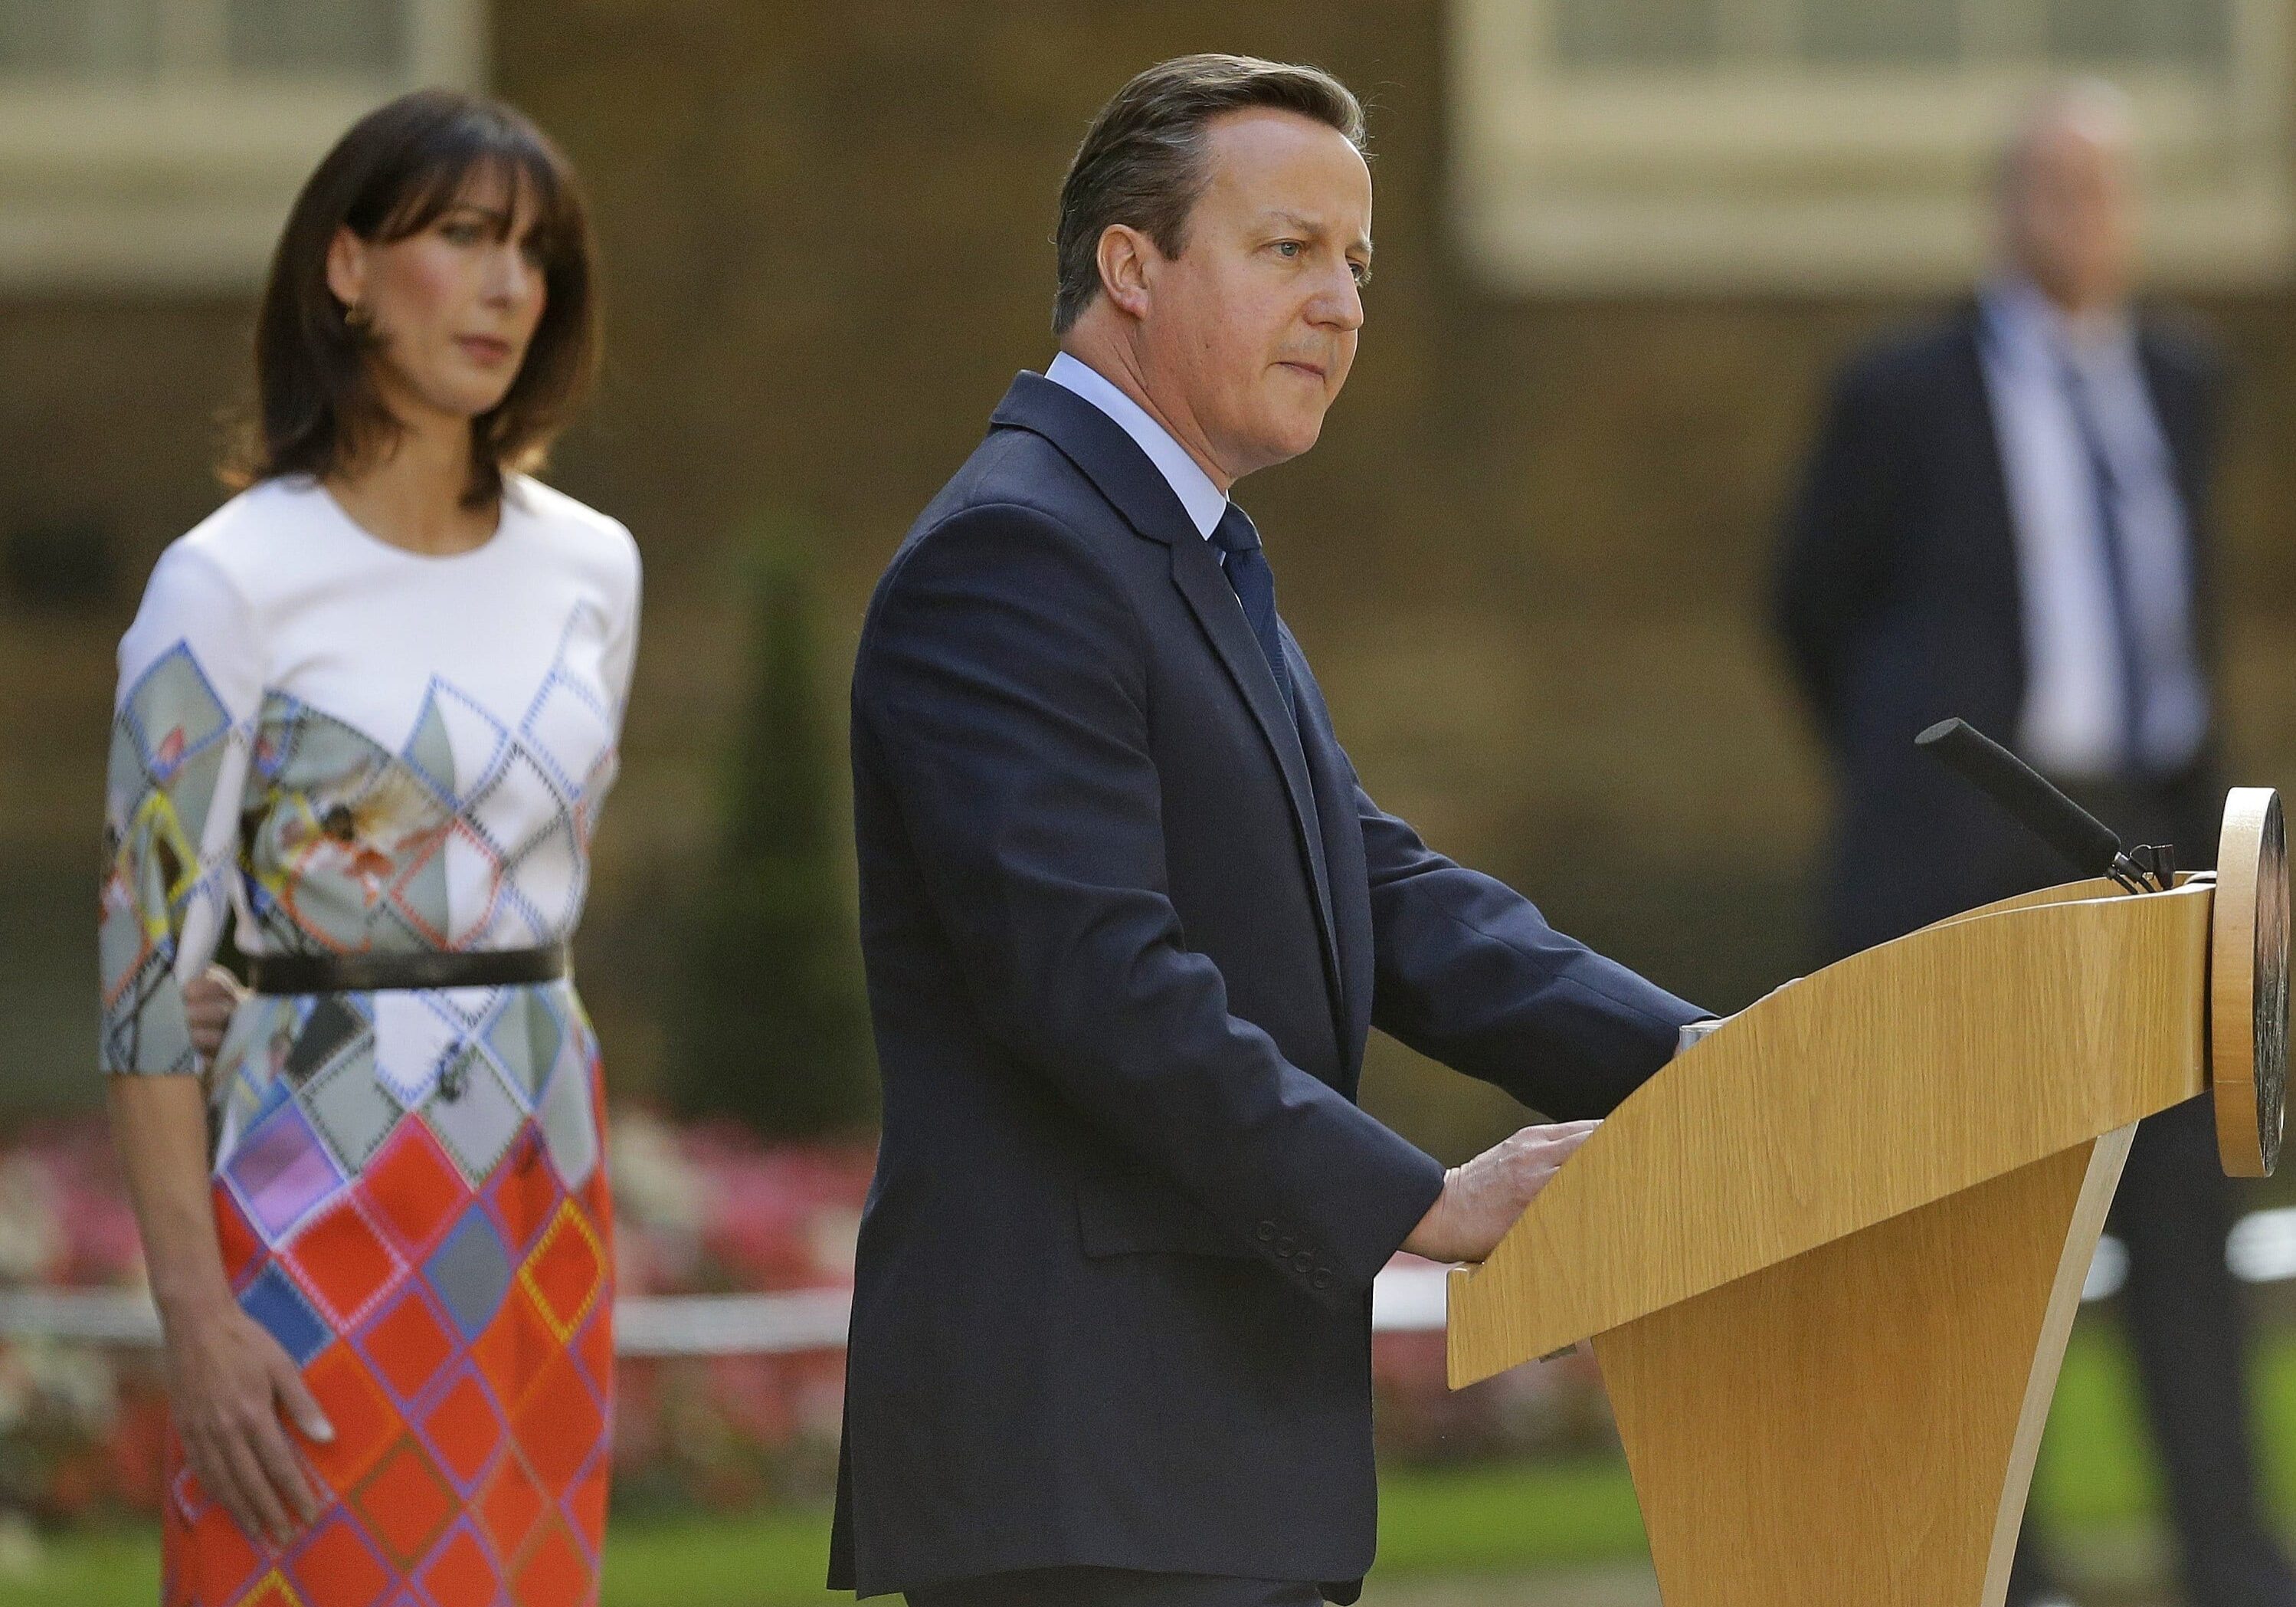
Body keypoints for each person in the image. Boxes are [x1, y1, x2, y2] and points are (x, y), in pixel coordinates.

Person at [834, 54, 1708, 1607]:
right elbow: (1096, 983)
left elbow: (1378, 887)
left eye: (1356, 264)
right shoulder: (1018, 557)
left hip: (1193, 1468)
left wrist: (1719, 1068)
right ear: (1129, 268)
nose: (1343, 306)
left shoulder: (1177, 542)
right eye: (1286, 249)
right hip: (1085, 1474)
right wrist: (1423, 1198)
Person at [102, 89, 637, 1607]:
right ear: (344, 266)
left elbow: (526, 892)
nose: (505, 284)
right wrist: (195, 1320)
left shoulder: (596, 567)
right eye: (462, 235)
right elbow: (142, 984)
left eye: (533, 251)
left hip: (544, 1172)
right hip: (308, 1179)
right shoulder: (229, 581)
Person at [1774, 82, 2292, 1607]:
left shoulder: (2181, 379)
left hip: (2145, 855)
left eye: (2103, 192)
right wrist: (1911, 781)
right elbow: (1808, 604)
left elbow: (2178, 632)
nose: (2079, 220)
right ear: (2001, 209)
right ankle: (2001, 1570)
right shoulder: (1898, 390)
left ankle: (2232, 1561)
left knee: (2182, 1214)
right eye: (2050, 191)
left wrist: (2225, 846)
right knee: (1981, 1242)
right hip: (1961, 859)